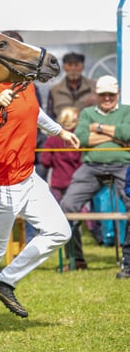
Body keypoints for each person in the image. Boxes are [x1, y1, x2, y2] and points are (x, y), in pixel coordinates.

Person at [0, 33, 80, 340]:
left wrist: (60, 131)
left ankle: (5, 282)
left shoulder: (26, 83)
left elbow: (35, 114)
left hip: (27, 176)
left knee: (60, 231)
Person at [59, 75, 130, 278]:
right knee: (68, 205)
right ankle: (77, 258)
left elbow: (129, 134)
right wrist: (117, 135)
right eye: (103, 94)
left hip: (123, 165)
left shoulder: (127, 111)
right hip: (91, 166)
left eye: (111, 94)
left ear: (117, 94)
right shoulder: (88, 112)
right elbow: (80, 139)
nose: (107, 98)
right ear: (96, 95)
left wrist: (97, 128)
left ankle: (129, 261)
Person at [39, 107, 83, 269]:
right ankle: (77, 258)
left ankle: (69, 259)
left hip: (57, 185)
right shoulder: (77, 137)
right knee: (75, 222)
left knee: (61, 223)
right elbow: (82, 160)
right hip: (76, 184)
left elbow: (45, 161)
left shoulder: (52, 140)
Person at [46, 52, 96, 120]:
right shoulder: (54, 91)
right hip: (62, 129)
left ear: (83, 67)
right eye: (70, 65)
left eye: (76, 65)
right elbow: (50, 116)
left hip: (88, 129)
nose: (73, 68)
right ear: (64, 67)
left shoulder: (94, 87)